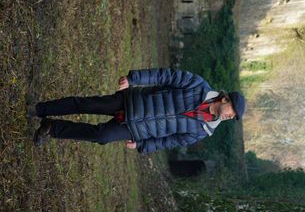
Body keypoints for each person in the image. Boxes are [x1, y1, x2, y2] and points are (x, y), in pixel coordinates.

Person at [31, 68, 245, 154]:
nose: (230, 116)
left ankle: (51, 128)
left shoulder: (204, 131)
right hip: (133, 101)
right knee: (86, 104)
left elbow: (171, 140)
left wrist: (143, 144)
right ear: (225, 98)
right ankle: (41, 109)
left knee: (102, 136)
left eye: (233, 117)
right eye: (232, 110)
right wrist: (133, 79)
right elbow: (165, 76)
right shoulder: (198, 86)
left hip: (137, 129)